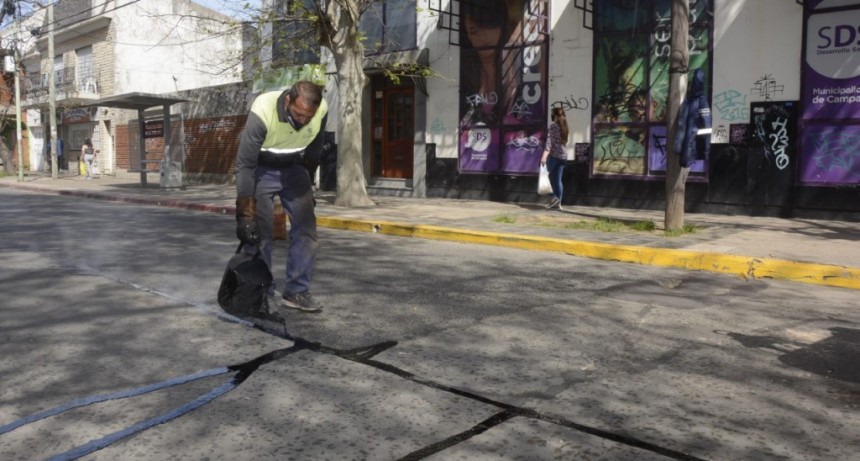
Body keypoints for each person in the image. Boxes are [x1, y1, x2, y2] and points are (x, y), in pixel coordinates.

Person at [234, 80, 328, 317]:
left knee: (307, 229)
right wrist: (245, 213)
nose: (303, 120)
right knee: (260, 233)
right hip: (261, 169)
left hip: (294, 167)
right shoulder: (263, 108)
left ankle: (296, 292)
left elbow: (315, 148)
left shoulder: (322, 110)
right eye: (298, 114)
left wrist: (307, 188)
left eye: (309, 116)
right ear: (288, 100)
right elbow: (245, 164)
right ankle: (261, 290)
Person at [540, 106, 569, 210]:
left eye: (553, 114)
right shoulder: (565, 126)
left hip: (554, 156)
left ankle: (554, 198)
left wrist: (543, 157)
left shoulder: (553, 126)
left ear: (556, 116)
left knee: (544, 177)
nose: (551, 116)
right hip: (563, 156)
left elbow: (549, 143)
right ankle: (558, 203)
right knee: (558, 180)